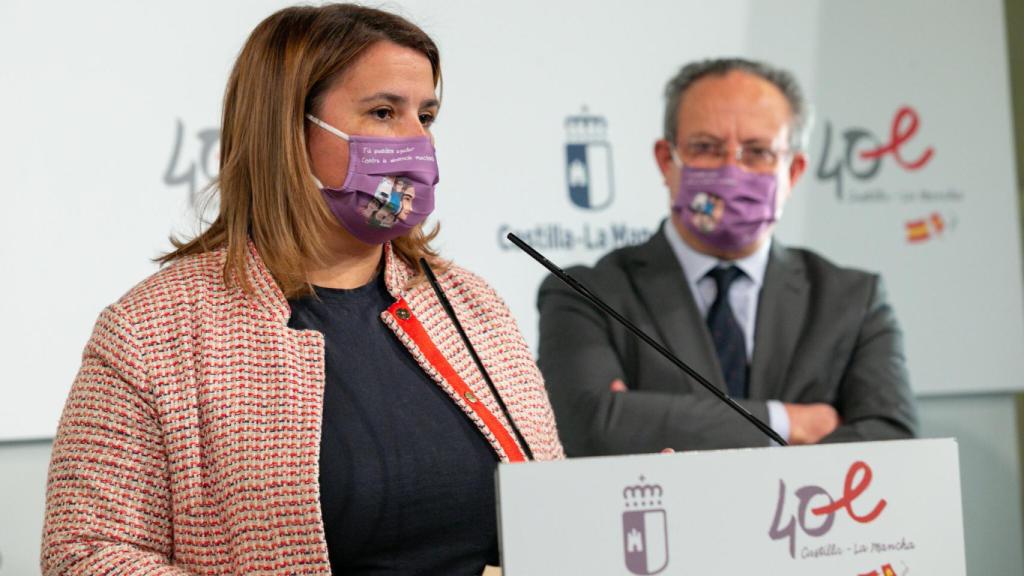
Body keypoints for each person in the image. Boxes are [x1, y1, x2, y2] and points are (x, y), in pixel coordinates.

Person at [41, 5, 563, 575]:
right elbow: (84, 557)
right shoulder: (151, 331)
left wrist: (628, 501)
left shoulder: (470, 304)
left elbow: (552, 510)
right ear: (288, 130)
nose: (418, 141)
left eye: (428, 116)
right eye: (385, 112)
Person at [537, 58, 917, 456]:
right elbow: (586, 427)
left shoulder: (853, 300)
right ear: (667, 161)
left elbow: (893, 443)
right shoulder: (584, 294)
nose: (732, 172)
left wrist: (647, 420)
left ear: (795, 171)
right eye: (706, 148)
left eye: (758, 152)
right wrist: (789, 423)